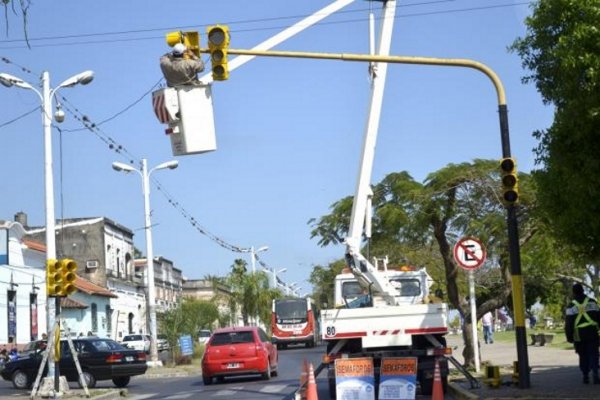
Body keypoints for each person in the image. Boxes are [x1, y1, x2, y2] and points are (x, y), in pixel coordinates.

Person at [565, 283, 600, 384]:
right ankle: (595, 374)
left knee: (583, 355)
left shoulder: (571, 306)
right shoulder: (593, 302)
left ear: (573, 292)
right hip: (593, 332)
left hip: (579, 335)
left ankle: (585, 375)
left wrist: (569, 337)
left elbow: (568, 324)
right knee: (594, 354)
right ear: (583, 290)